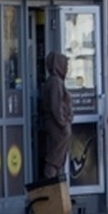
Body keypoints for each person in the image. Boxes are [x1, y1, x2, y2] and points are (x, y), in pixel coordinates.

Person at [40, 51, 73, 181]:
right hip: (57, 125)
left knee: (58, 157)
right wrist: (63, 123)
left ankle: (57, 187)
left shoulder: (56, 81)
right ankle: (51, 185)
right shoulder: (55, 82)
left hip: (57, 124)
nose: (66, 68)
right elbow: (56, 106)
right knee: (55, 157)